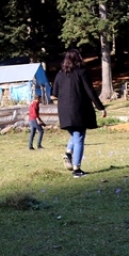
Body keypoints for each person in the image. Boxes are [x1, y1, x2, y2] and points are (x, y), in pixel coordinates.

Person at [50, 49, 106, 177]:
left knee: (75, 135)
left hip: (64, 111)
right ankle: (77, 169)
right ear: (78, 59)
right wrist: (101, 107)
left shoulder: (59, 74)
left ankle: (69, 152)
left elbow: (54, 94)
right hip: (78, 109)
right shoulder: (82, 72)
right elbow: (90, 91)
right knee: (79, 138)